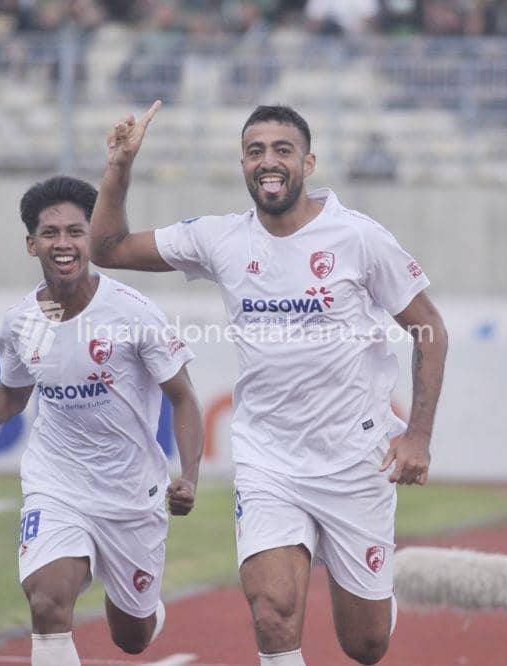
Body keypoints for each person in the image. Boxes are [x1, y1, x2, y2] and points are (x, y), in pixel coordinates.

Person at [90, 102, 448, 665]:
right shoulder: (220, 238)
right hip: (268, 460)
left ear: (307, 161)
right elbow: (106, 248)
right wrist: (119, 168)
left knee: (366, 645)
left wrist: (419, 436)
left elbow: (429, 330)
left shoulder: (358, 238)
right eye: (255, 151)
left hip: (356, 459)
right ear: (243, 165)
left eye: (282, 149)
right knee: (272, 612)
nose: (268, 161)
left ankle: (372, 601)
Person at [0, 175, 203, 666]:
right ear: (31, 242)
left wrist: (189, 476)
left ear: (89, 238)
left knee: (132, 637)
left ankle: (144, 612)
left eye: (76, 231)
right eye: (51, 232)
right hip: (57, 484)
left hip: (130, 494)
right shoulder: (20, 323)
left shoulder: (134, 313)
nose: (64, 243)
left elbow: (183, 398)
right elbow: (12, 396)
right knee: (47, 602)